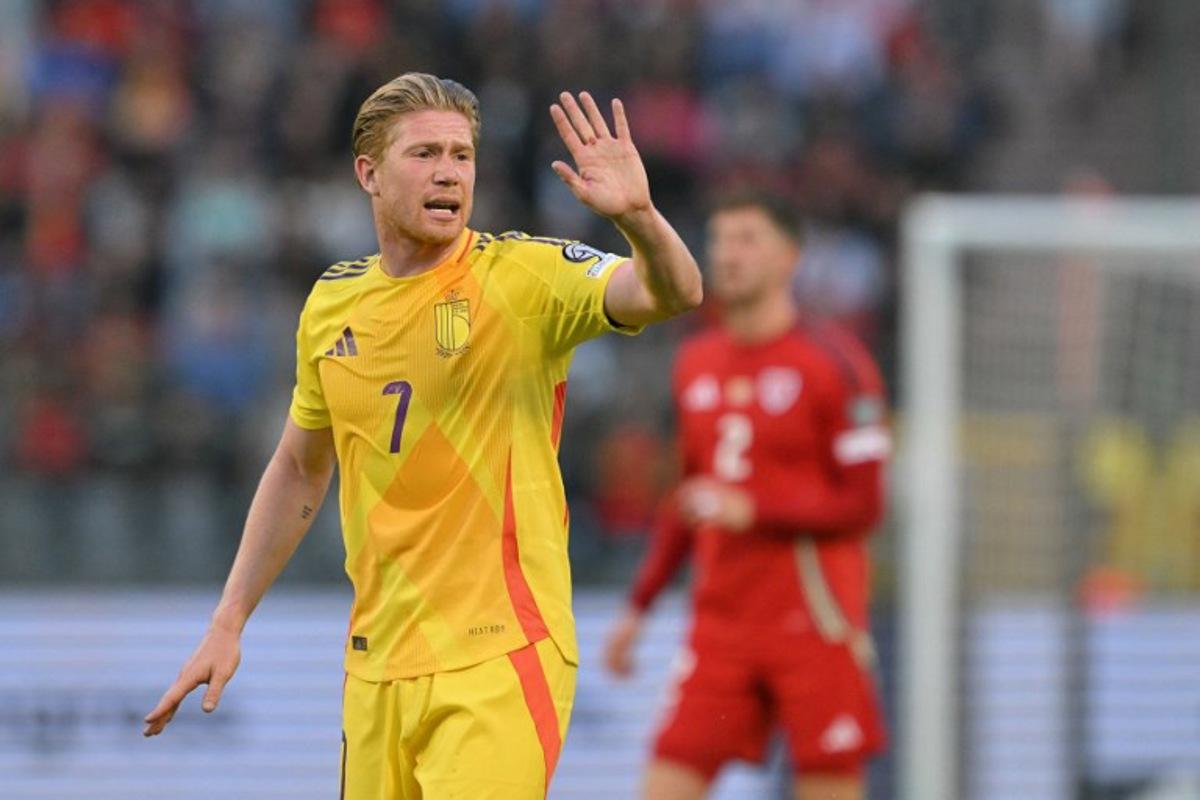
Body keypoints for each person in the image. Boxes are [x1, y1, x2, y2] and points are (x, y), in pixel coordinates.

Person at [143, 72, 701, 800]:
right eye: (425, 154)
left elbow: (674, 292)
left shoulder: (522, 279)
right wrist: (228, 620)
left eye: (462, 156)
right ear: (368, 174)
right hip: (376, 667)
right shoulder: (332, 303)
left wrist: (641, 219)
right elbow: (301, 468)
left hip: (500, 653)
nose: (449, 172)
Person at [604, 191, 889, 800]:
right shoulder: (696, 361)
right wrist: (639, 607)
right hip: (721, 626)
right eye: (720, 240)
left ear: (789, 257)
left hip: (815, 621)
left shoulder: (836, 363)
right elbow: (688, 495)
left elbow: (864, 507)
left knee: (830, 785)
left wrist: (754, 510)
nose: (727, 256)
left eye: (747, 240)